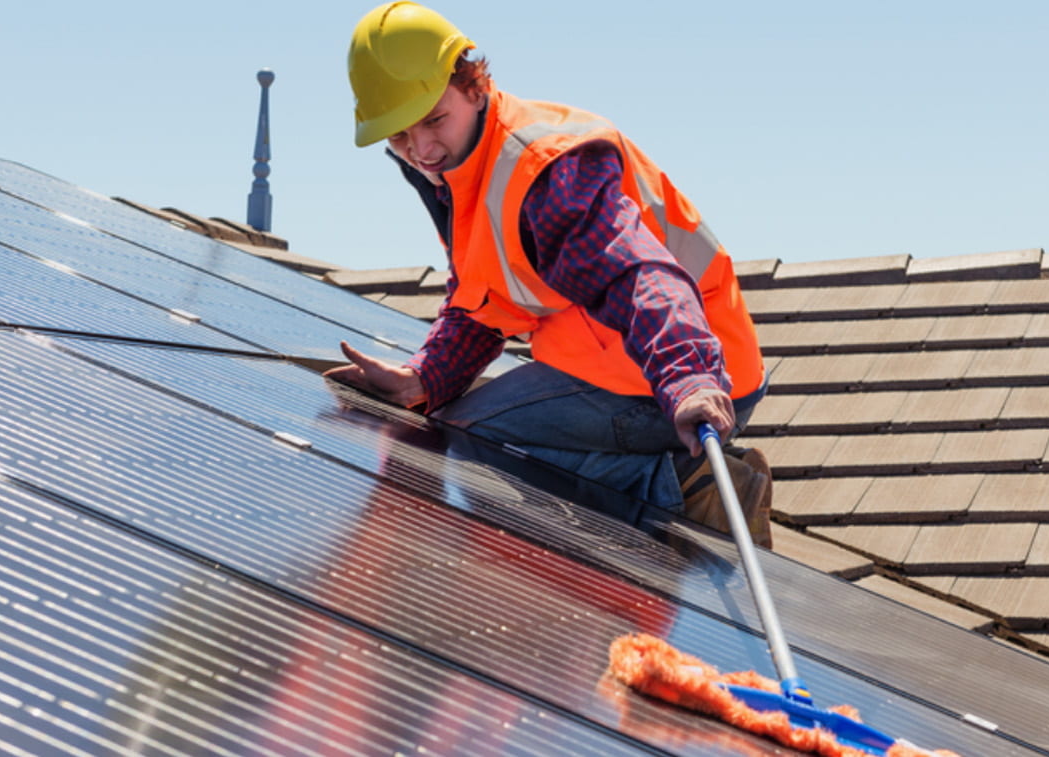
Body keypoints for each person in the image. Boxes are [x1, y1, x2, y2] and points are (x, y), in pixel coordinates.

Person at [325, 1, 772, 546]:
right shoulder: (469, 172)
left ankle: (686, 486)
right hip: (625, 361)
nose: (421, 150)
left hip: (684, 375)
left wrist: (688, 379)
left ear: (472, 83)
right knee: (445, 418)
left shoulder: (542, 170)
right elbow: (486, 304)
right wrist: (426, 378)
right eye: (398, 136)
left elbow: (638, 278)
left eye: (433, 119)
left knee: (473, 437)